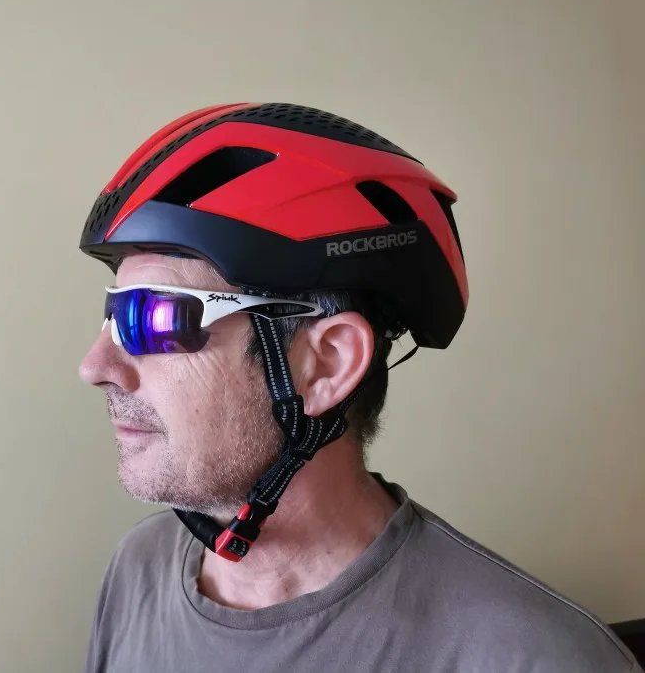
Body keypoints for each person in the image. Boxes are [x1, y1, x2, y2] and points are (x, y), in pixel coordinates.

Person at [76, 102, 640, 672]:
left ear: (327, 364)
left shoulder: (534, 657)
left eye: (154, 319)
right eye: (111, 315)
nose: (95, 366)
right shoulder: (138, 567)